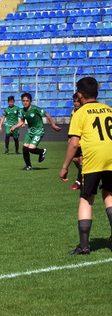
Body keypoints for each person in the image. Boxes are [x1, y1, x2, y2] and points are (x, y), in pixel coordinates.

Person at [59, 77, 112, 255]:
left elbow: (74, 143)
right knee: (109, 195)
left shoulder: (80, 113)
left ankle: (84, 246)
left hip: (94, 159)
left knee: (86, 198)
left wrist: (65, 166)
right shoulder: (109, 109)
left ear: (80, 94)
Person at [10, 93, 61, 171]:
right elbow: (21, 122)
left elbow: (47, 114)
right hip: (30, 132)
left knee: (31, 148)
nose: (25, 102)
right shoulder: (22, 111)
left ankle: (42, 151)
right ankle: (28, 166)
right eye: (23, 101)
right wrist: (15, 126)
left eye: (27, 101)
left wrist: (53, 125)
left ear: (30, 101)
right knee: (24, 148)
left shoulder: (35, 109)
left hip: (39, 131)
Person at [69, 93, 83, 190]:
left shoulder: (84, 112)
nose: (75, 103)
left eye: (77, 101)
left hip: (83, 141)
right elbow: (71, 125)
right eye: (74, 101)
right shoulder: (73, 112)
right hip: (75, 139)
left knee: (82, 161)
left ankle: (79, 182)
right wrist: (69, 137)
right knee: (75, 160)